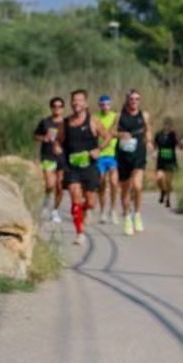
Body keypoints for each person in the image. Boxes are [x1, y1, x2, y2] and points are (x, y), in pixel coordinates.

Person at [55, 89, 101, 246]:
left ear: (86, 103)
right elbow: (58, 140)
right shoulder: (65, 123)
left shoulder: (93, 120)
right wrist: (57, 148)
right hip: (72, 166)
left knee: (91, 202)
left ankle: (85, 209)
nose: (76, 103)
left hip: (90, 166)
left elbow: (108, 136)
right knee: (75, 194)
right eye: (74, 100)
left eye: (80, 100)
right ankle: (79, 233)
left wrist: (98, 149)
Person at [111, 89, 151, 235]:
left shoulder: (144, 115)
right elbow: (111, 132)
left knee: (138, 186)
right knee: (126, 188)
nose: (134, 101)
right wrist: (121, 134)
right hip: (123, 155)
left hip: (139, 153)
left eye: (137, 99)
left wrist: (150, 142)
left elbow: (148, 130)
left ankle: (137, 214)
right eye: (132, 99)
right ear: (127, 100)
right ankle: (127, 216)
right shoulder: (119, 115)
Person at [33, 97, 65, 222]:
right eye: (54, 106)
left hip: (63, 157)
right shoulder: (45, 122)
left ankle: (55, 211)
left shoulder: (67, 123)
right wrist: (43, 138)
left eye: (60, 106)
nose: (57, 108)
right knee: (50, 184)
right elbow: (35, 136)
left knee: (60, 186)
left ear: (63, 108)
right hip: (48, 156)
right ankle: (46, 200)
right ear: (51, 107)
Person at [91, 93, 119, 224]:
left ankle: (113, 210)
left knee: (114, 183)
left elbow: (117, 132)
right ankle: (102, 211)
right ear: (99, 105)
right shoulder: (95, 117)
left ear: (111, 104)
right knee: (101, 183)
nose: (105, 107)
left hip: (113, 154)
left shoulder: (115, 116)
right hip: (100, 155)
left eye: (107, 104)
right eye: (102, 104)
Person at [153, 119, 180, 209]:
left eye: (169, 125)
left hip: (171, 160)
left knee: (168, 181)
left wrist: (180, 143)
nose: (167, 127)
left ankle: (168, 199)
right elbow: (154, 145)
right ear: (163, 126)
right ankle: (162, 191)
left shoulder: (173, 135)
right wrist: (153, 153)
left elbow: (179, 144)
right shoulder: (158, 135)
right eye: (165, 125)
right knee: (159, 179)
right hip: (161, 160)